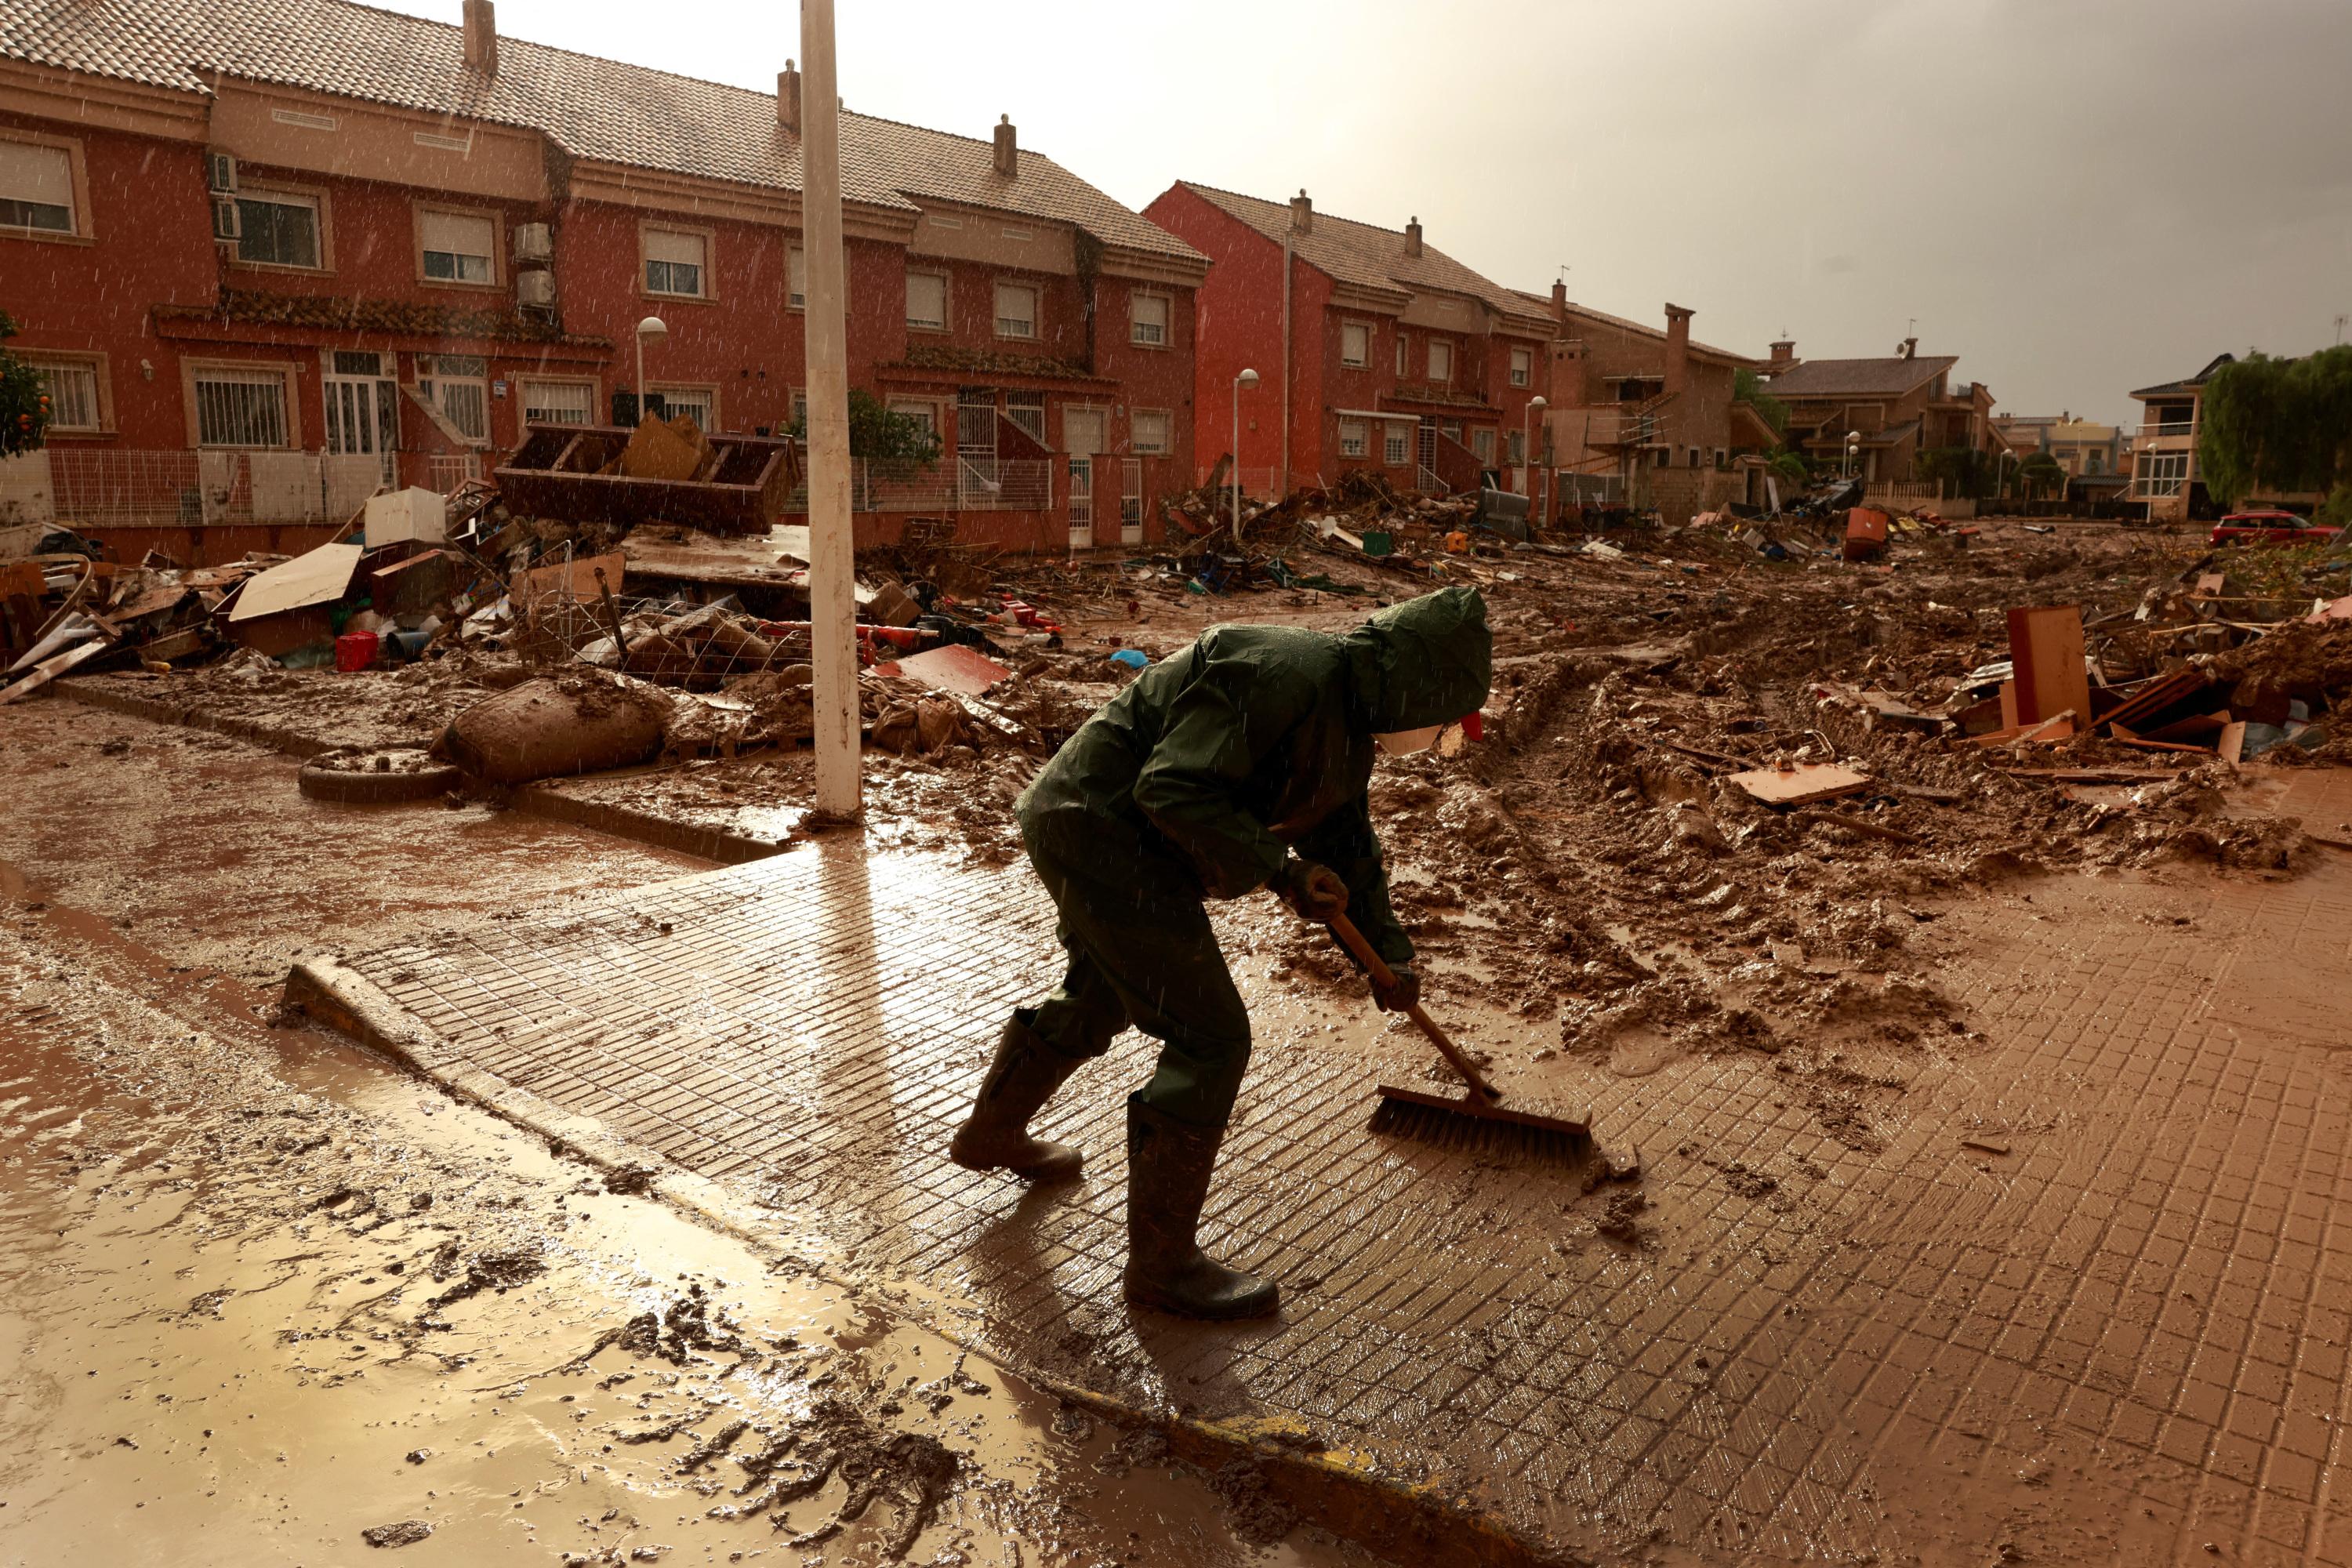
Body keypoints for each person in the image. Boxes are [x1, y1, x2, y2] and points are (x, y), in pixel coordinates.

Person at [948, 586, 1493, 1319]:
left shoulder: (1346, 727)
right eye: (1439, 724)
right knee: (1211, 1038)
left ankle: (991, 1134)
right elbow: (1171, 786)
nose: (1430, 739)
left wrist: (1389, 958)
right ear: (1416, 685)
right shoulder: (1281, 670)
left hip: (1129, 841)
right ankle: (1162, 1270)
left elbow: (1349, 854)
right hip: (1100, 828)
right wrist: (1281, 868)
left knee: (1103, 993)